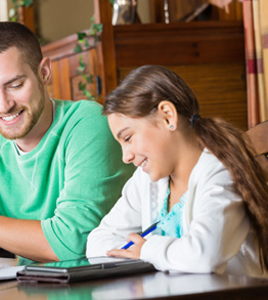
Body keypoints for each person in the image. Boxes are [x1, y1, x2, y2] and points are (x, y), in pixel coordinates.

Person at [0, 21, 133, 276]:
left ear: (44, 72)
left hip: (115, 284)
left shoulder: (88, 123)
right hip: (41, 286)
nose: (3, 105)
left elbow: (73, 243)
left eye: (15, 85)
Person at [86, 65, 268, 278]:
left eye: (128, 138)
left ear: (167, 116)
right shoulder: (146, 180)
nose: (125, 156)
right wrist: (150, 254)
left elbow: (204, 255)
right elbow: (98, 241)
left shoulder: (221, 172)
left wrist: (145, 249)